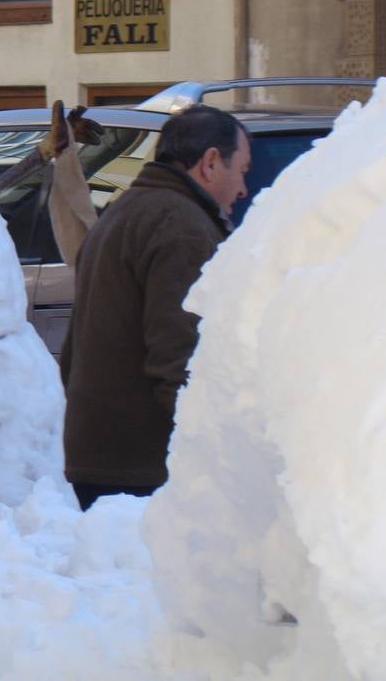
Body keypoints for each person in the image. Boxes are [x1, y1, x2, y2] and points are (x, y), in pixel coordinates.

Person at [53, 104, 251, 511]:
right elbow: (180, 356)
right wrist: (213, 452)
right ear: (211, 162)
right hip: (143, 463)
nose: (243, 189)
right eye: (242, 171)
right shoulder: (182, 227)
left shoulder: (127, 210)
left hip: (100, 452)